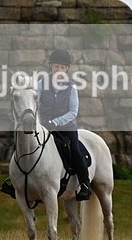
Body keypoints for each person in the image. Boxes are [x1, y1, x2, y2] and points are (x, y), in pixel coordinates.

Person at [36, 49, 91, 201]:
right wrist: (40, 121)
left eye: (62, 67)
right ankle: (17, 181)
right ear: (51, 67)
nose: (59, 70)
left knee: (74, 149)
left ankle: (85, 184)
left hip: (66, 126)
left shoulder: (71, 87)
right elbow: (34, 101)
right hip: (44, 125)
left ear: (66, 69)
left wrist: (54, 122)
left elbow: (73, 112)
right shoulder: (41, 84)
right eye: (56, 67)